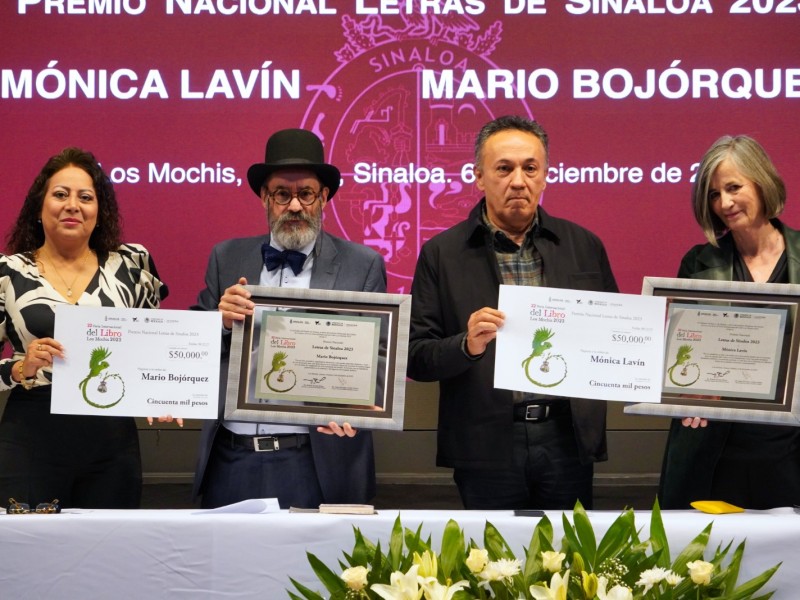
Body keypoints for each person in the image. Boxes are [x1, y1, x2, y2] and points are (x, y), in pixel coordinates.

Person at [407, 115, 618, 510]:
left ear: (544, 176)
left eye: (530, 168)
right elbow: (416, 358)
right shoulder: (442, 254)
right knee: (492, 567)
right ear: (479, 177)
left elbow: (613, 339)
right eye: (504, 168)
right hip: (485, 443)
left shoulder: (584, 246)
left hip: (566, 438)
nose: (518, 181)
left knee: (569, 564)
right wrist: (466, 345)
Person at [192, 128, 386, 509]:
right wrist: (220, 321)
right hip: (232, 458)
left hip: (316, 460)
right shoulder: (226, 257)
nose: (294, 205)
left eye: (306, 194)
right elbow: (192, 344)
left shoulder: (362, 265)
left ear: (324, 197)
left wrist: (358, 406)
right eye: (282, 193)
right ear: (265, 198)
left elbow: (380, 354)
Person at [0, 147, 168, 509]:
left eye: (86, 197)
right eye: (60, 194)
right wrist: (19, 368)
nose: (73, 205)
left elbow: (155, 347)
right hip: (31, 435)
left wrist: (163, 390)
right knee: (28, 556)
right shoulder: (8, 272)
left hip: (111, 440)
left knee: (108, 557)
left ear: (99, 210)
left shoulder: (132, 265)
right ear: (39, 207)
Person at [659, 135, 800, 510]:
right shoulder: (697, 263)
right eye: (713, 194)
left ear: (762, 181)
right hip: (716, 454)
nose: (724, 203)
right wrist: (683, 394)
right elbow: (678, 356)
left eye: (734, 187)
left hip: (790, 453)